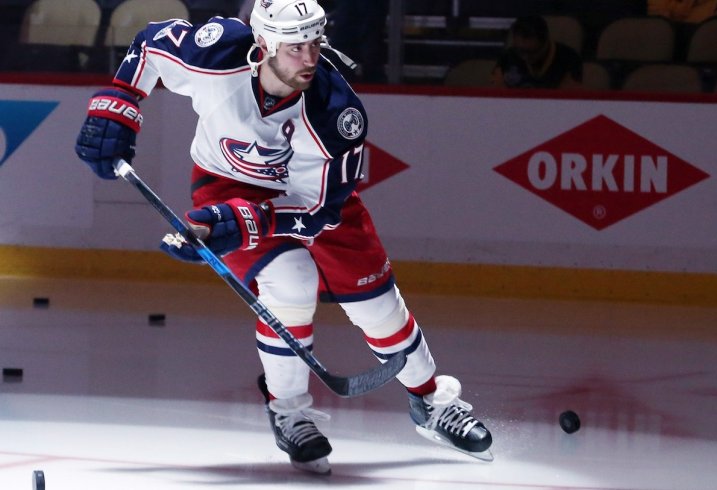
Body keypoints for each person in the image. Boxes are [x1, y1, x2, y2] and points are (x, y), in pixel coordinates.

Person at [73, 0, 492, 474]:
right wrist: (119, 105)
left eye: (315, 43)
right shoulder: (217, 54)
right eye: (296, 47)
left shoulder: (336, 112)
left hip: (315, 203)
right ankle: (290, 412)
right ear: (264, 43)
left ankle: (432, 401)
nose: (310, 58)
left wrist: (238, 223)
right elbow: (150, 44)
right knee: (289, 283)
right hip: (226, 185)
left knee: (379, 307)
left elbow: (318, 211)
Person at [490, 15, 583, 89]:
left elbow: (571, 99)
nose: (525, 57)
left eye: (531, 52)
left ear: (545, 43)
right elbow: (496, 94)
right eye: (520, 50)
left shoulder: (569, 59)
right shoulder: (508, 57)